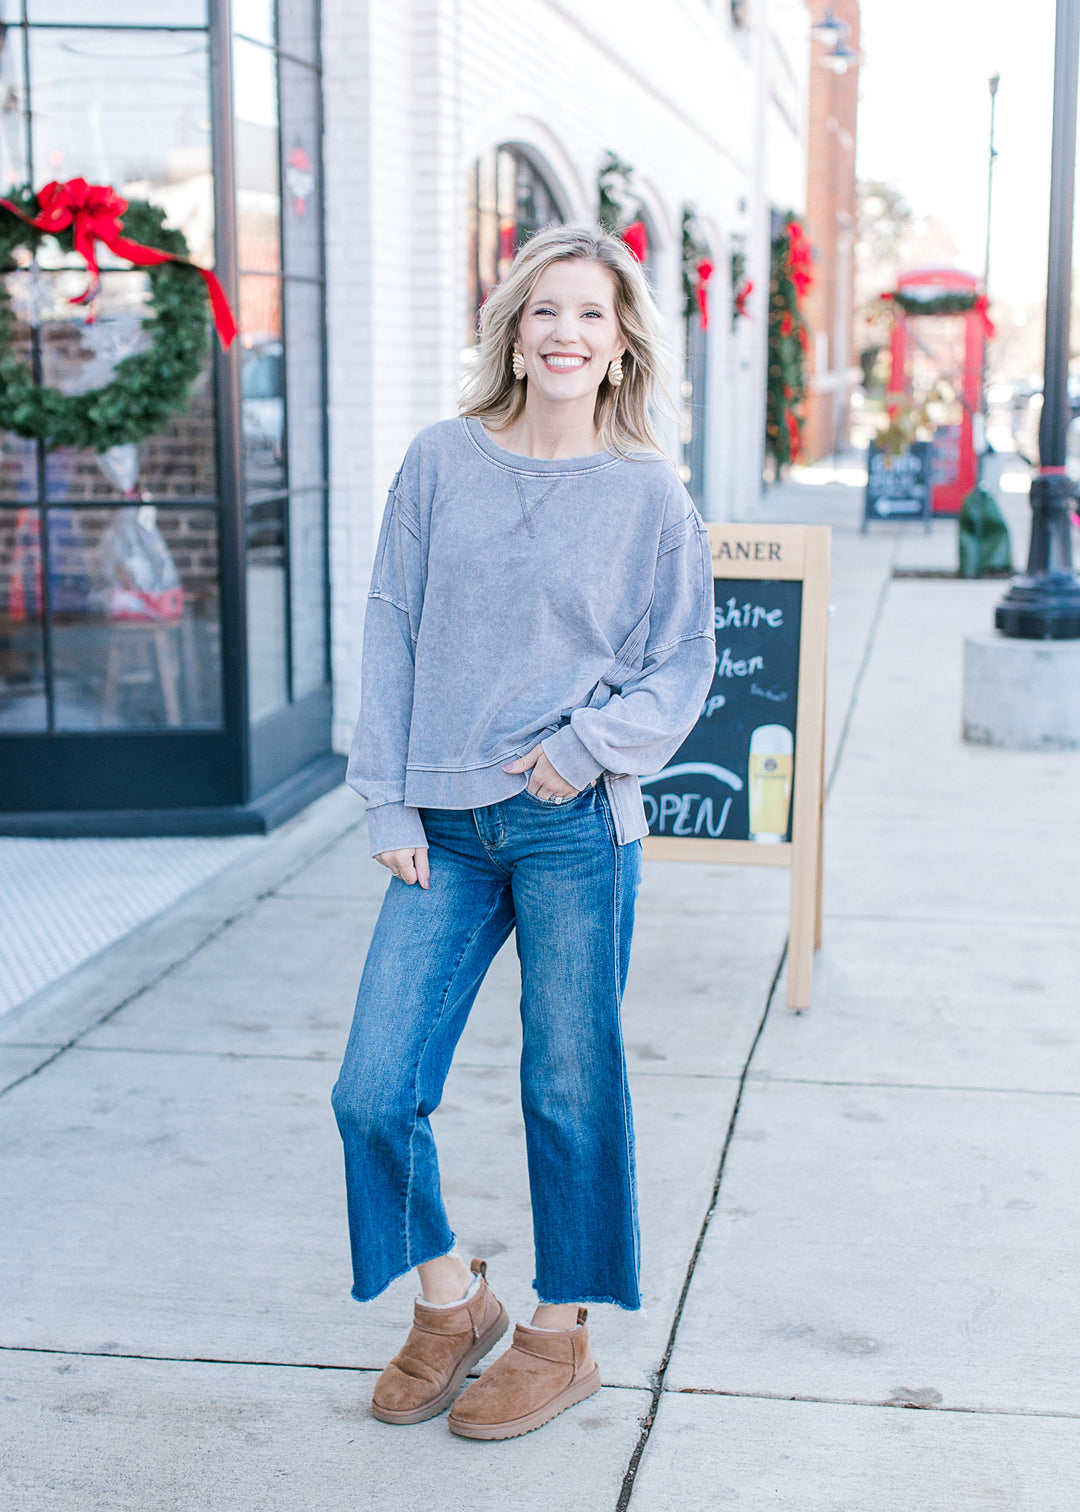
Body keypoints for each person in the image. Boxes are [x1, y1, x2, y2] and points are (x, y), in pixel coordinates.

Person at [331, 222, 716, 1441]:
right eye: (545, 310)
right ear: (513, 328)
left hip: (572, 828)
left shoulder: (650, 492)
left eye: (591, 315)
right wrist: (387, 794)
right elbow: (391, 626)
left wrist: (580, 750)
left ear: (620, 345)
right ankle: (454, 1304)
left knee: (569, 1084)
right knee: (374, 1090)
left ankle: (561, 1334)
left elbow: (682, 663)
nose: (565, 333)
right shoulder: (442, 460)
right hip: (439, 827)